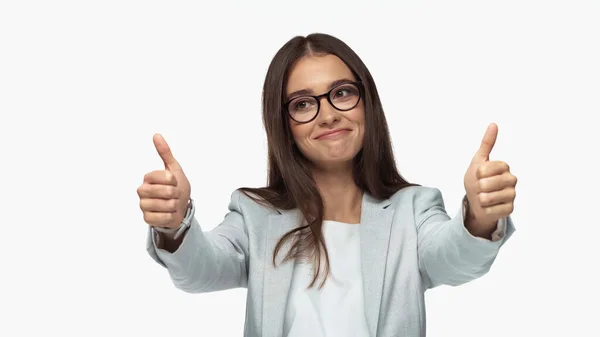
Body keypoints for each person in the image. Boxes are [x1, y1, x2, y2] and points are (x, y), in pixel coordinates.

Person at [138, 33, 517, 337]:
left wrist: (479, 216)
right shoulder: (255, 214)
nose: (329, 114)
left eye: (342, 93)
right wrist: (173, 224)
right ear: (283, 124)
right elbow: (200, 272)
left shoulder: (413, 209)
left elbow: (454, 261)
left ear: (366, 102)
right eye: (303, 104)